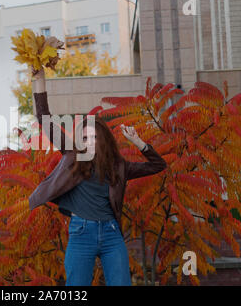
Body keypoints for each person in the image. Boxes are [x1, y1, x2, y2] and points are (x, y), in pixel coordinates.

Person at [29, 66, 167, 286]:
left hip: (112, 234)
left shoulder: (118, 167)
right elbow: (44, 117)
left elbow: (158, 165)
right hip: (81, 232)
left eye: (93, 136)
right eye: (84, 137)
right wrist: (40, 80)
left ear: (103, 140)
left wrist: (138, 143)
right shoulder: (73, 156)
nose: (88, 141)